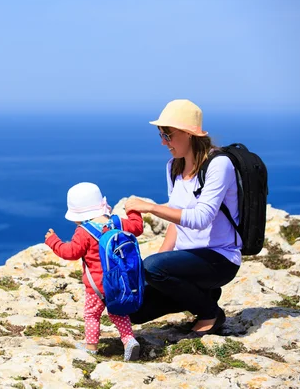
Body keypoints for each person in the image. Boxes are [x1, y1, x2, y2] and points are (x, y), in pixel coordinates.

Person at [124, 99, 241, 335]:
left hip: (219, 259)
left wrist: (151, 207)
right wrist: (155, 264)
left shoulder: (219, 165)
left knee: (153, 268)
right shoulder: (173, 167)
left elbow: (201, 218)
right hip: (187, 261)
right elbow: (177, 221)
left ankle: (210, 313)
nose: (163, 142)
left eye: (168, 135)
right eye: (161, 135)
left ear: (189, 134)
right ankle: (203, 294)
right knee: (134, 309)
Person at [45, 182, 144, 361]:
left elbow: (70, 253)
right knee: (118, 313)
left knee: (92, 314)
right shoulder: (117, 222)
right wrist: (133, 211)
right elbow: (138, 227)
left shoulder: (83, 232)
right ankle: (129, 340)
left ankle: (91, 347)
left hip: (97, 287)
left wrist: (53, 241)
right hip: (121, 282)